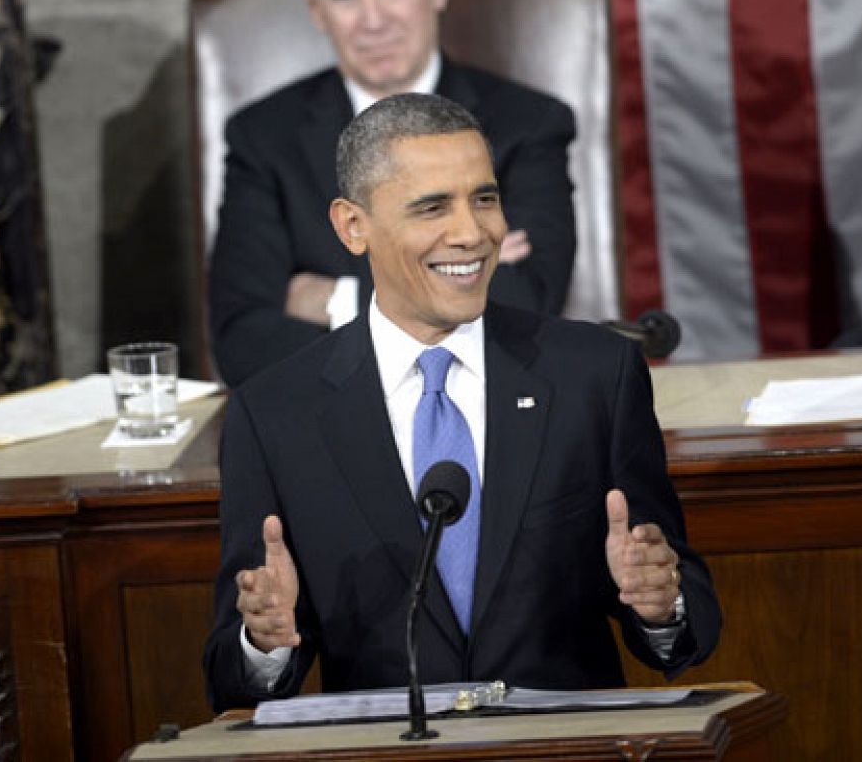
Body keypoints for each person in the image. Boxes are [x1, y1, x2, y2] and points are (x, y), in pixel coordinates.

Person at [202, 93, 719, 711]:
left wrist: (663, 603)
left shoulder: (592, 375)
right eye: (432, 207)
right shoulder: (275, 414)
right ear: (353, 226)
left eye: (485, 198)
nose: (473, 233)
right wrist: (265, 639)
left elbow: (685, 621)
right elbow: (232, 678)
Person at [208, 0, 577, 386]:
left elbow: (524, 307)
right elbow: (244, 343)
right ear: (316, 10)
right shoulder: (263, 137)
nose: (373, 20)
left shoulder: (527, 125)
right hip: (329, 431)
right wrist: (449, 286)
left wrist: (336, 299)